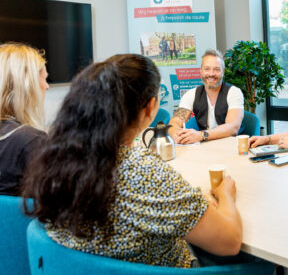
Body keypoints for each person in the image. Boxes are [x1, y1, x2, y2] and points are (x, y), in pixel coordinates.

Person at [23, 54, 243, 268]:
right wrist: (225, 195)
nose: (211, 73)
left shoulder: (59, 159)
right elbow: (230, 241)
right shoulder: (146, 173)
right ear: (150, 107)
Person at [0, 42, 48, 196]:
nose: (47, 86)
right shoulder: (30, 139)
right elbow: (55, 202)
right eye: (44, 78)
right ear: (27, 84)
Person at [169, 50, 244, 144]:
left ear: (223, 72)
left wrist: (201, 135)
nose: (211, 74)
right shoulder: (191, 95)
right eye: (207, 69)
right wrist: (176, 134)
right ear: (201, 71)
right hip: (205, 148)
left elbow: (233, 127)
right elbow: (175, 122)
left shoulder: (234, 92)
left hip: (231, 146)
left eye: (216, 69)